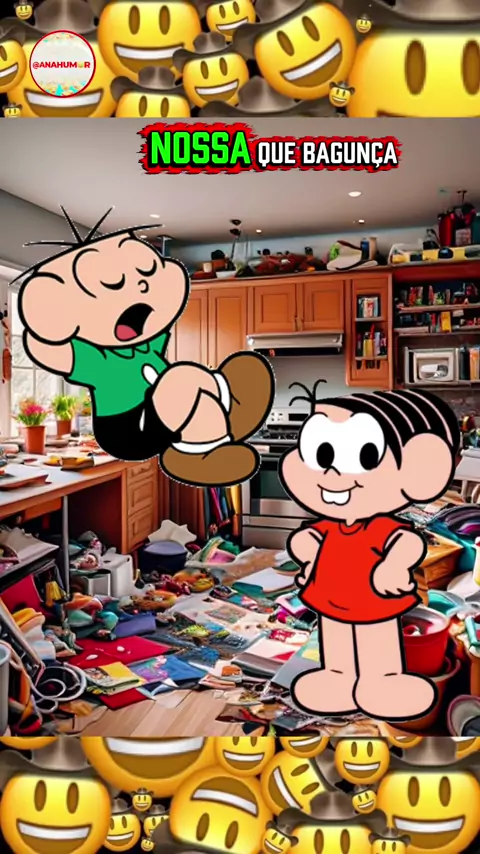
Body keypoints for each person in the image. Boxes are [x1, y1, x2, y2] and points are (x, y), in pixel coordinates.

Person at [18, 208, 274, 487]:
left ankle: (224, 417)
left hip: (157, 411)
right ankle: (205, 444)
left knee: (188, 379)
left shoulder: (147, 342)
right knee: (179, 379)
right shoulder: (96, 357)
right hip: (127, 430)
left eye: (144, 280)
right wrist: (44, 317)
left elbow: (166, 304)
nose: (137, 292)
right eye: (113, 289)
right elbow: (47, 350)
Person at [280, 382, 460, 720]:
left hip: (372, 601)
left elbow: (405, 542)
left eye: (363, 457)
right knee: (336, 645)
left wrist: (393, 566)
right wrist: (309, 555)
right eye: (320, 454)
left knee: (376, 644)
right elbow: (308, 539)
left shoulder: (380, 523)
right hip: (329, 598)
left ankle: (383, 680)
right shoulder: (332, 523)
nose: (332, 472)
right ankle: (338, 678)